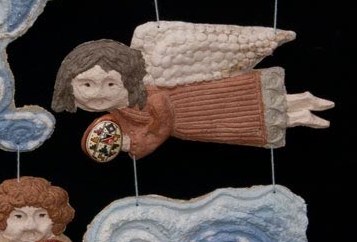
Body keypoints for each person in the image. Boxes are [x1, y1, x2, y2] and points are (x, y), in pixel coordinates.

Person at [52, 37, 333, 159]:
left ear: (129, 79)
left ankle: (303, 105)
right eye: (86, 85)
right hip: (198, 122)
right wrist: (121, 140)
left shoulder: (152, 97)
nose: (98, 93)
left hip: (199, 106)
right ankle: (301, 111)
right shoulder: (120, 111)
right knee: (249, 117)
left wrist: (135, 144)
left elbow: (160, 127)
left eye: (111, 83)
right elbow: (122, 129)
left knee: (249, 108)